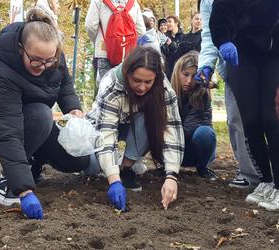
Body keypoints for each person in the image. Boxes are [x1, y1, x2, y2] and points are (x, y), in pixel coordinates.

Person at [0, 9, 98, 220]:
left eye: (49, 61)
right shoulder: (2, 72)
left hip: (33, 124)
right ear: (20, 48)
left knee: (76, 161)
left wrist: (73, 108)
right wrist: (23, 189)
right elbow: (8, 131)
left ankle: (33, 160)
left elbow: (64, 86)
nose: (43, 67)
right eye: (36, 61)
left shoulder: (53, 57)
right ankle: (7, 182)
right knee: (42, 114)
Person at [87, 46, 184, 211]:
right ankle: (114, 171)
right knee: (91, 167)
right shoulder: (111, 86)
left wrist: (172, 176)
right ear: (127, 74)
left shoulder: (164, 88)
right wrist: (114, 180)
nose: (142, 87)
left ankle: (126, 166)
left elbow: (172, 129)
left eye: (148, 82)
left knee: (152, 117)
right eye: (137, 80)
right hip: (105, 128)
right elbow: (106, 134)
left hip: (135, 129)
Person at [210, 0, 279, 211]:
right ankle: (266, 180)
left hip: (274, 54)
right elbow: (221, 12)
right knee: (250, 120)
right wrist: (223, 40)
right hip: (243, 54)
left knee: (272, 117)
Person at [194, 0, 261, 188]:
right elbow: (209, 34)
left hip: (264, 58)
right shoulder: (207, 1)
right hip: (233, 64)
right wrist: (206, 65)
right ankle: (250, 173)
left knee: (270, 118)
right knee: (236, 119)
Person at [171, 51, 217, 180]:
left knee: (205, 133)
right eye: (185, 75)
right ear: (177, 73)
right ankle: (166, 166)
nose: (189, 81)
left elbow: (191, 127)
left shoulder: (202, 95)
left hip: (192, 148)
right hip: (170, 149)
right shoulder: (166, 92)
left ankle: (202, 166)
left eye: (194, 76)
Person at [85, 0, 146, 88]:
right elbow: (141, 30)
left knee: (106, 89)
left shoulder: (98, 1)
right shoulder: (133, 3)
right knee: (127, 89)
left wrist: (98, 41)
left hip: (104, 52)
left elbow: (90, 26)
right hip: (128, 54)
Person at [161, 15, 184, 80]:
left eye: (169, 22)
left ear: (176, 23)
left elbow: (180, 53)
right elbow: (164, 53)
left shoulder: (183, 37)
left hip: (179, 69)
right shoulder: (164, 37)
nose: (167, 24)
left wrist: (171, 44)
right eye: (166, 22)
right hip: (167, 70)